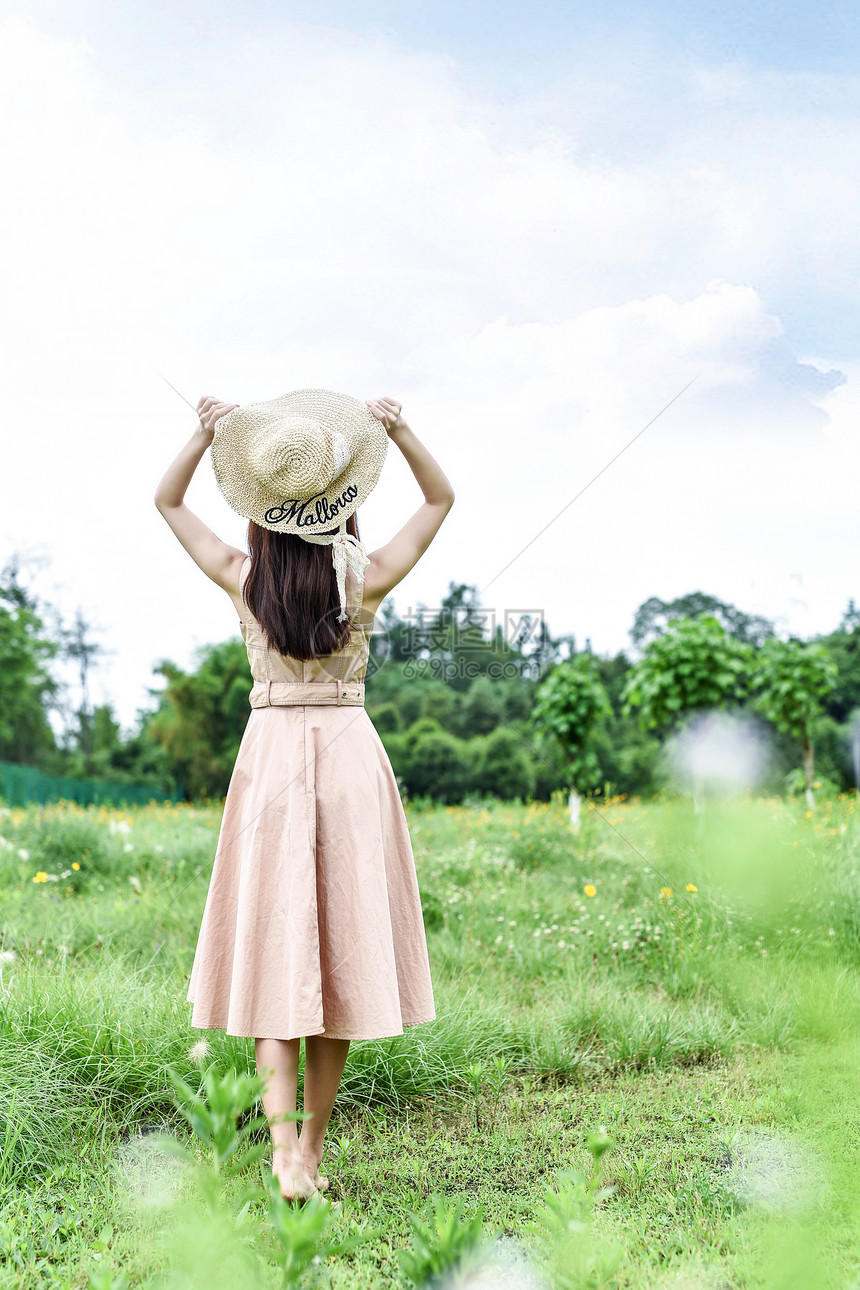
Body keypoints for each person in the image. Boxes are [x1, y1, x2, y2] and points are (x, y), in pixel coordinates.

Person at [154, 389, 455, 1201]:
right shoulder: (367, 578)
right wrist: (398, 427)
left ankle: (283, 1153)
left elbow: (167, 500)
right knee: (344, 955)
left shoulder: (242, 577)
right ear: (342, 502)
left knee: (276, 955)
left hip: (272, 759)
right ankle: (312, 1155)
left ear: (263, 511)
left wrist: (204, 434)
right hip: (351, 758)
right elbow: (440, 498)